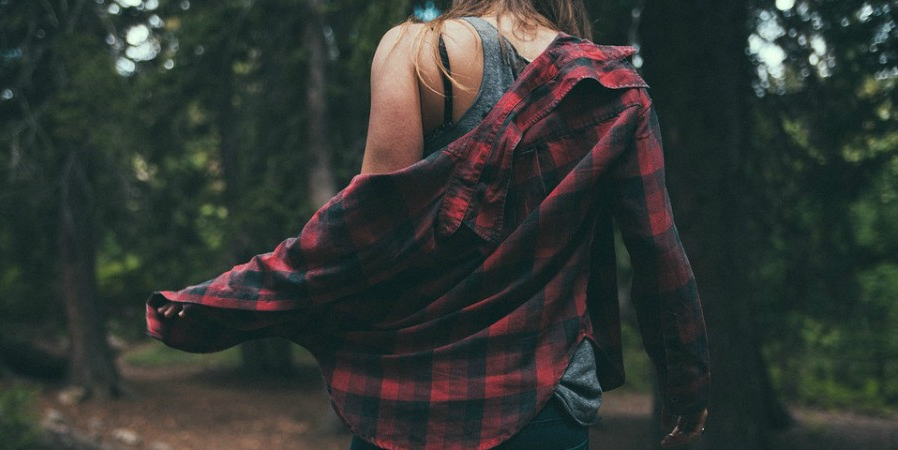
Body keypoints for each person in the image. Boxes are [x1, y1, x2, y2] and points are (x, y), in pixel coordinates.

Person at [149, 1, 710, 448]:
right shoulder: (616, 90)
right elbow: (659, 255)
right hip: (545, 405)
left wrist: (222, 300)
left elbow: (360, 240)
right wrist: (686, 385)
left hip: (407, 406)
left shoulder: (420, 51)